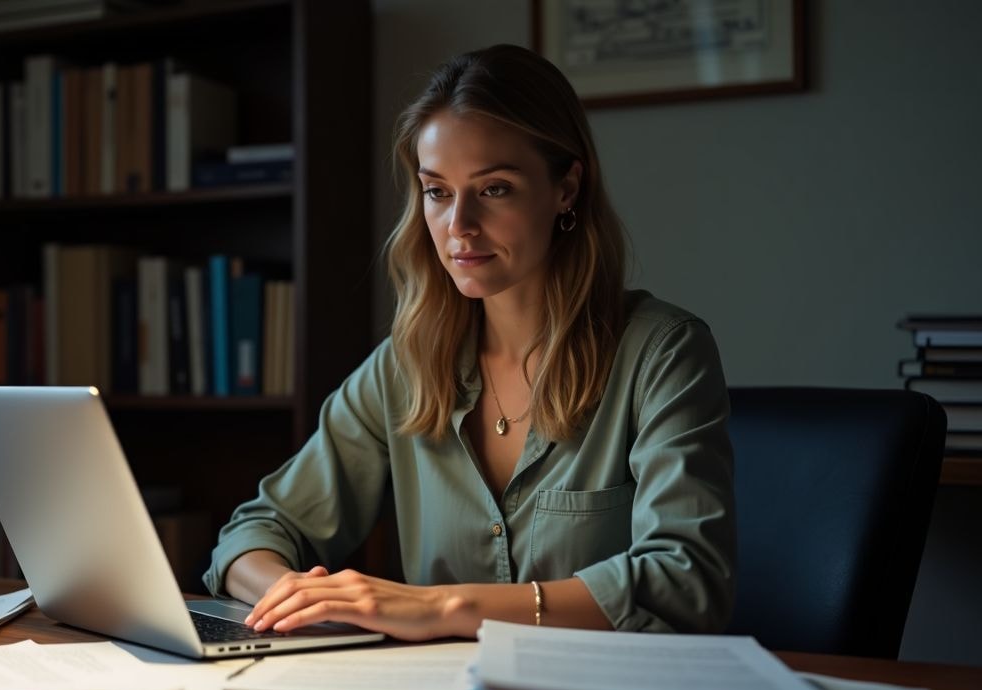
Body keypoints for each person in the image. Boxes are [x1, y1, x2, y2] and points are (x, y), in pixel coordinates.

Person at [201, 44, 735, 641]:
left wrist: (442, 607)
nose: (458, 226)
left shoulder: (663, 354)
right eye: (437, 191)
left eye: (495, 189)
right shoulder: (404, 368)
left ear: (566, 188)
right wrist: (292, 594)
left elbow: (686, 580)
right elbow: (255, 532)